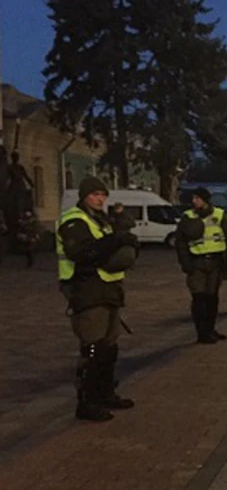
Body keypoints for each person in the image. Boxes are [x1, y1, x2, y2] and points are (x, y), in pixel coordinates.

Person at [57, 176, 138, 421]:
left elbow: (112, 245)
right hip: (86, 289)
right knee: (92, 348)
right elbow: (82, 253)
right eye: (95, 194)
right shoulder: (74, 220)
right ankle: (87, 403)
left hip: (109, 289)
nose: (100, 199)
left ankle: (105, 393)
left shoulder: (101, 220)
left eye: (103, 194)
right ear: (84, 196)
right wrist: (116, 240)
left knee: (109, 347)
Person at [175, 187, 227, 344]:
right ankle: (202, 333)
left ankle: (210, 329)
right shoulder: (188, 216)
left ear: (206, 200)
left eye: (197, 198)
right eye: (193, 198)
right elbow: (180, 242)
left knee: (212, 299)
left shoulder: (219, 215)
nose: (194, 201)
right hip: (197, 263)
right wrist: (186, 263)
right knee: (199, 298)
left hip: (215, 262)